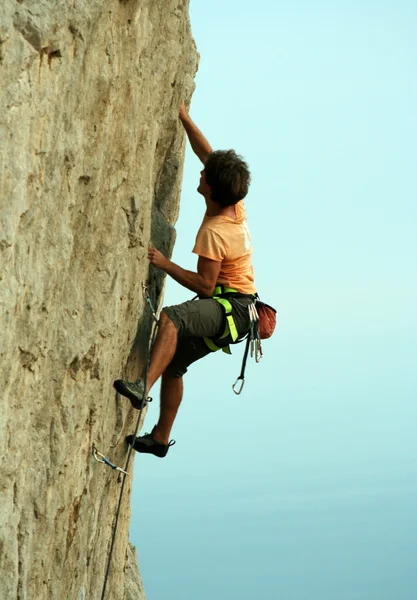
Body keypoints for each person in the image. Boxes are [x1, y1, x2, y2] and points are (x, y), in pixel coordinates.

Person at [114, 102, 257, 457]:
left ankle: (140, 388)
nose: (200, 174)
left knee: (172, 319)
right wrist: (184, 118)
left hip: (231, 309)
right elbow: (207, 155)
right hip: (241, 312)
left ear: (210, 187)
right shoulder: (234, 207)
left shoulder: (215, 232)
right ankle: (160, 439)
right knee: (174, 364)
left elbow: (205, 286)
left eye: (203, 175)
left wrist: (164, 263)